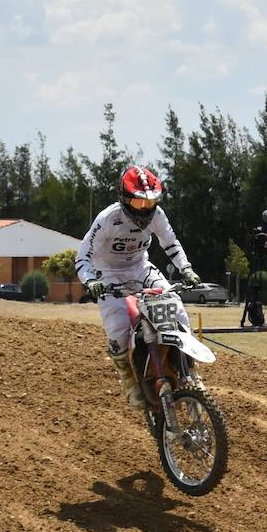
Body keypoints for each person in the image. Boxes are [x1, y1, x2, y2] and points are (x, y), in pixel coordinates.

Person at [77, 165, 202, 408]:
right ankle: (128, 380)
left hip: (141, 268)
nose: (145, 210)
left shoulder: (157, 214)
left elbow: (170, 242)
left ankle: (190, 370)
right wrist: (90, 281)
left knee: (177, 310)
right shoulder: (107, 219)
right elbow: (83, 257)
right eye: (139, 204)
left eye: (150, 202)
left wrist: (186, 268)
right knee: (118, 329)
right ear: (124, 198)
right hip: (109, 274)